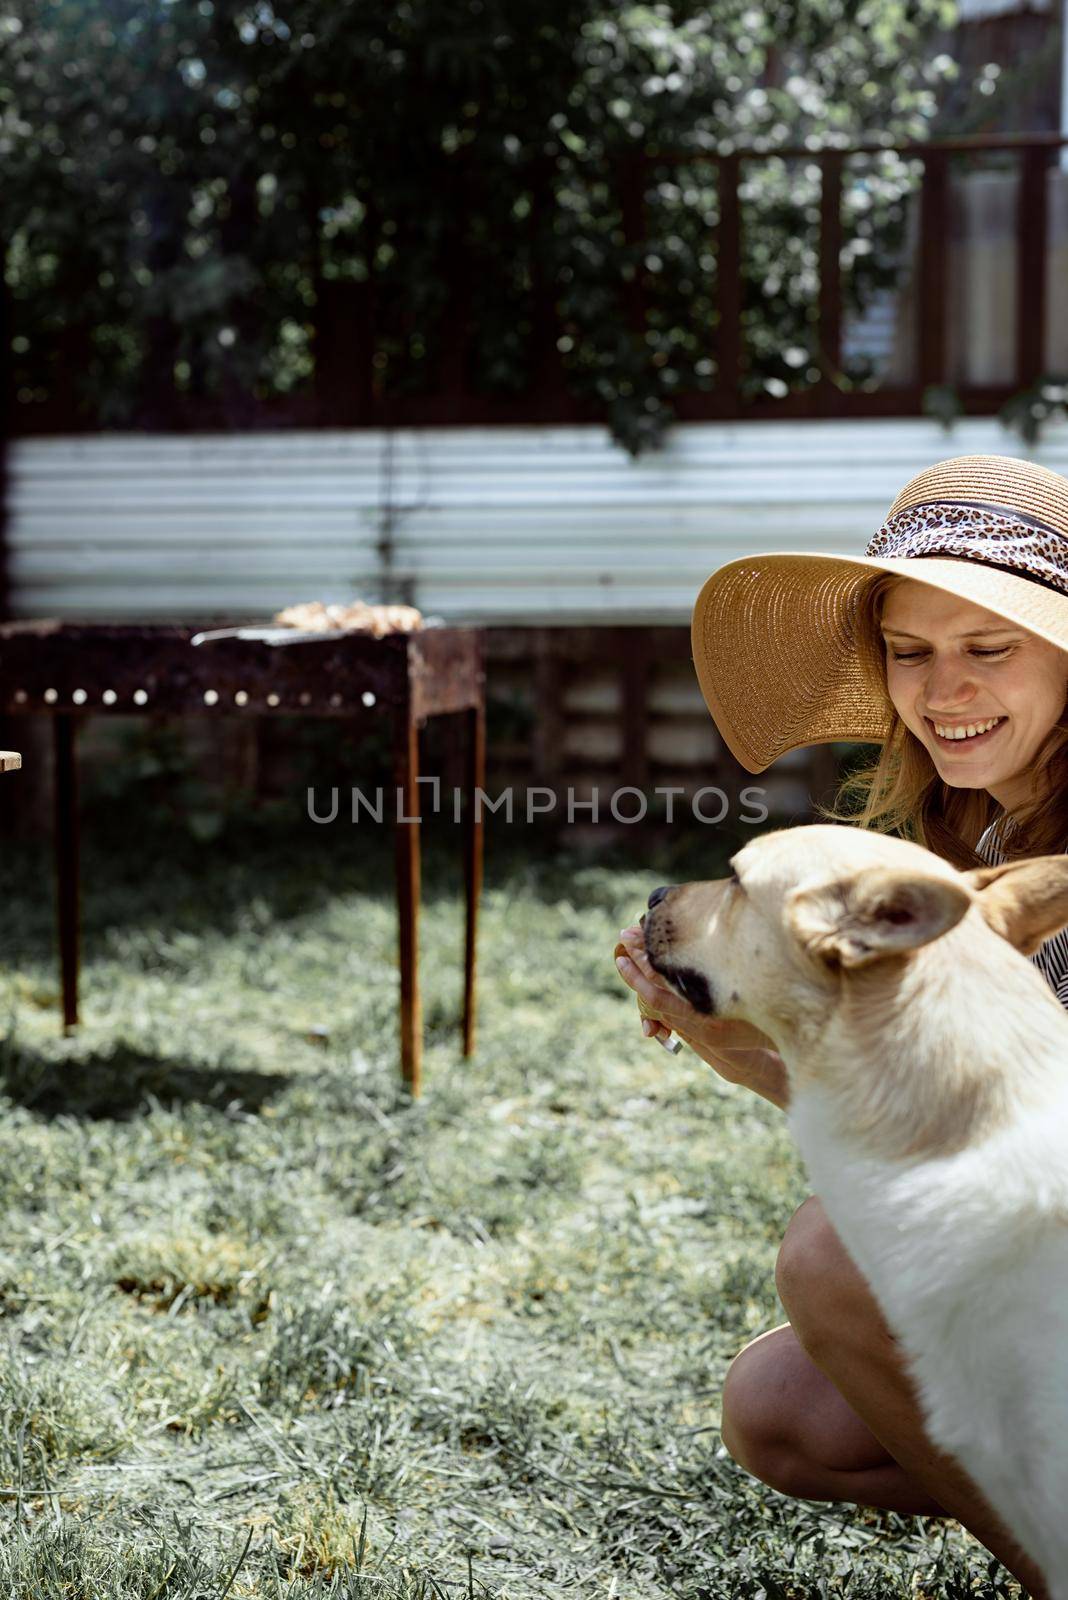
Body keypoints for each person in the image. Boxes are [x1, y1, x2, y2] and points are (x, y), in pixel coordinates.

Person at [614, 453, 1068, 1598]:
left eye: (988, 647)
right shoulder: (980, 837)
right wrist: (743, 1053)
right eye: (910, 653)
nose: (943, 689)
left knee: (828, 1262)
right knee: (780, 1414)